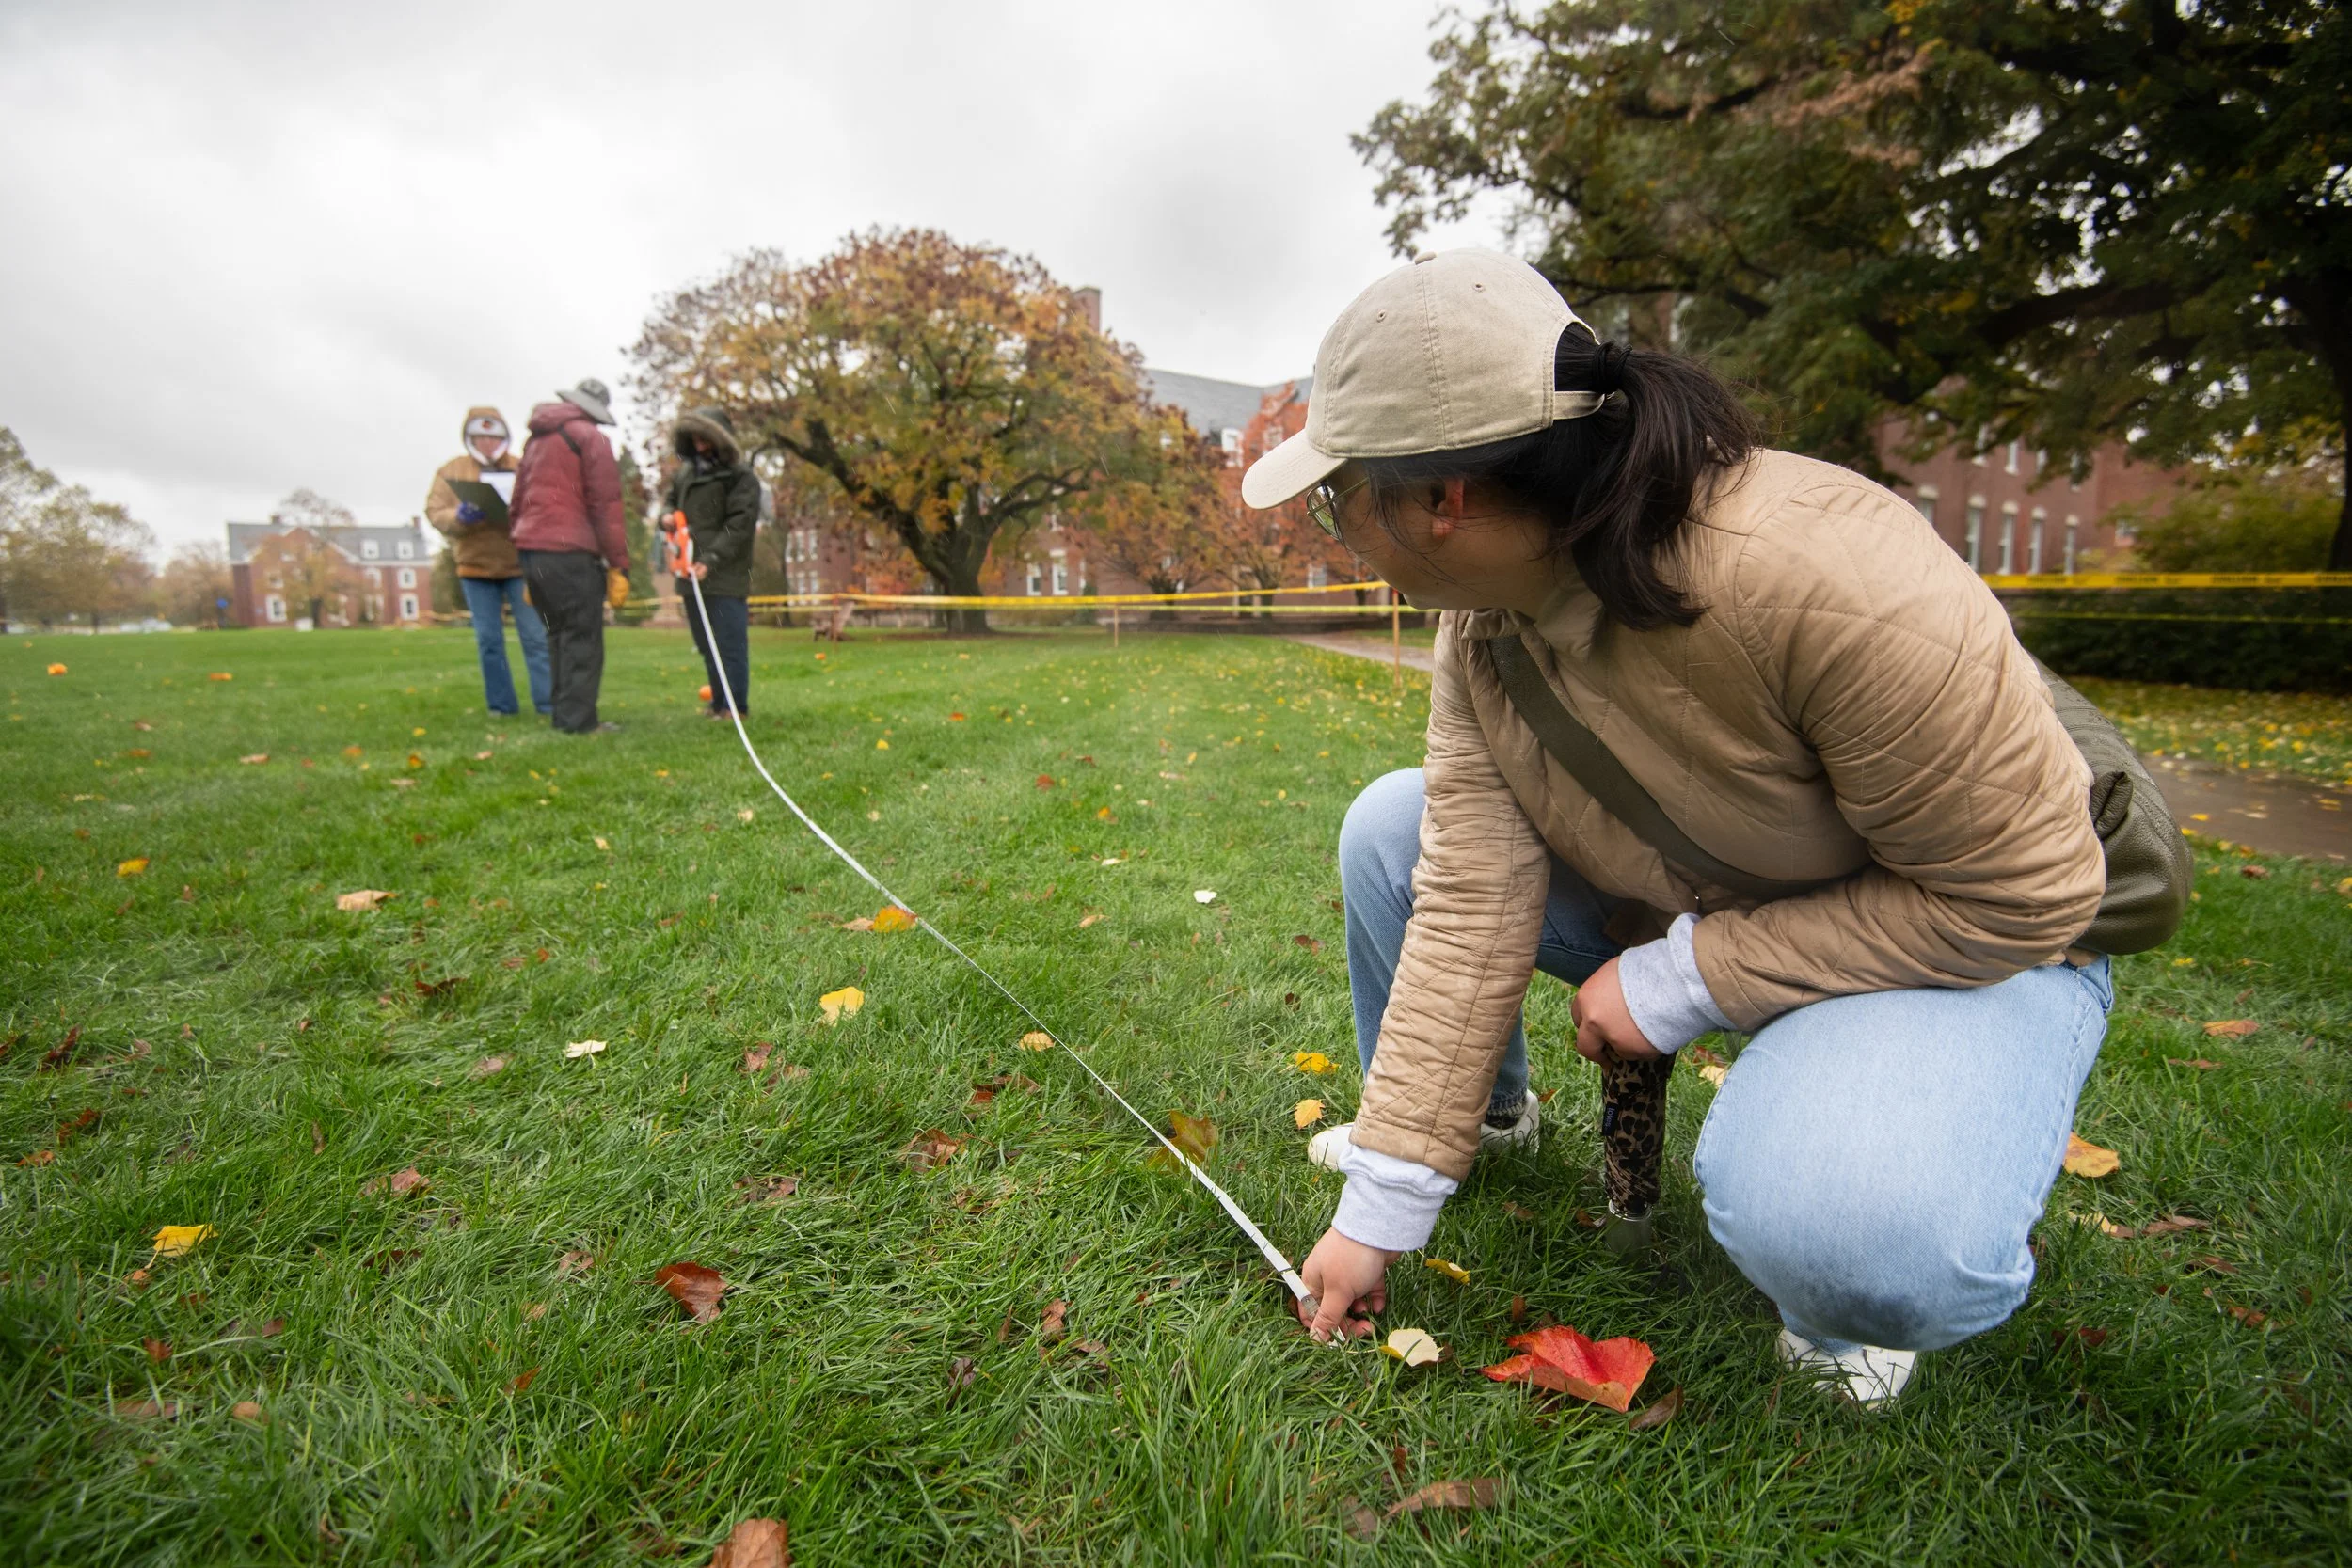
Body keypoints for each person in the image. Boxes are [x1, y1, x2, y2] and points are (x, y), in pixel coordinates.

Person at [1248, 250, 2110, 1408]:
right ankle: (1488, 1122)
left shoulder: (1824, 573)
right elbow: (1466, 895)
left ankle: (1845, 1278)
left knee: (1854, 1232)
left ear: (1440, 500)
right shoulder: (1483, 629)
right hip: (1727, 891)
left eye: (1335, 494)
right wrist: (1382, 1206)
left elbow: (2021, 895)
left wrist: (1683, 976)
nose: (1334, 525)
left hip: (1971, 941)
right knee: (1392, 828)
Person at [510, 378, 631, 734]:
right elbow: (605, 505)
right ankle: (579, 722)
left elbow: (518, 502)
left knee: (557, 636)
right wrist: (619, 565)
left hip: (534, 552)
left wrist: (525, 559)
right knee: (581, 637)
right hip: (571, 553)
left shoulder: (535, 442)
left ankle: (563, 717)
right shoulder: (590, 438)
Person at [423, 406, 550, 717]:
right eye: (480, 438)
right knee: (489, 641)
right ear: (470, 438)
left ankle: (548, 703)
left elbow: (545, 503)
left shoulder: (522, 468)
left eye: (494, 438)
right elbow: (435, 511)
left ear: (504, 438)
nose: (488, 444)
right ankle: (501, 706)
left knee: (535, 637)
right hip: (475, 568)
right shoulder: (452, 471)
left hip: (519, 565)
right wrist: (458, 516)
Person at [663, 405, 760, 719]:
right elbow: (669, 500)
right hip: (689, 572)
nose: (701, 446)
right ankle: (718, 702)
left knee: (729, 644)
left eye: (706, 440)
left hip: (725, 574)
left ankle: (735, 706)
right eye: (695, 440)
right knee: (706, 644)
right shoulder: (686, 474)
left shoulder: (741, 478)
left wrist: (713, 558)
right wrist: (665, 517)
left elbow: (739, 525)